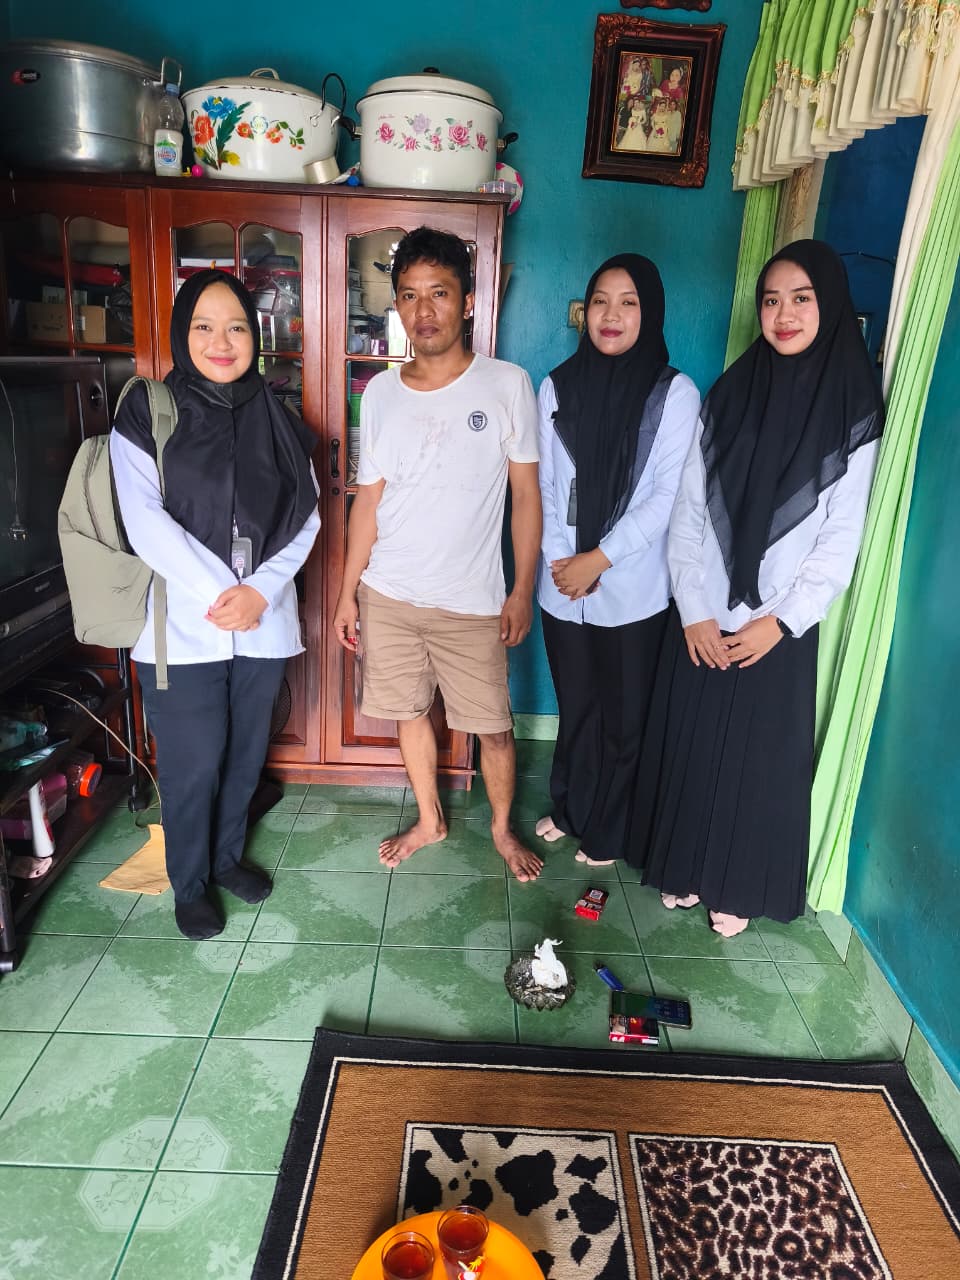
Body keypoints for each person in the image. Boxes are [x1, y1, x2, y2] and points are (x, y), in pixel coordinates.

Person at [636, 240, 884, 936]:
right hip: (704, 610)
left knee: (757, 762)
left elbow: (841, 537)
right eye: (771, 300)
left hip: (779, 622)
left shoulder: (855, 409)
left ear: (830, 305)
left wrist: (783, 620)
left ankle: (736, 885)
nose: (783, 314)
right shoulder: (731, 392)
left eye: (801, 298)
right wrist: (693, 610)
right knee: (693, 745)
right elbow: (688, 511)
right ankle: (688, 867)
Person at [110, 269, 321, 940]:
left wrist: (258, 591)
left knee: (244, 754)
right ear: (182, 334)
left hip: (262, 621)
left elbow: (307, 515)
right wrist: (221, 594)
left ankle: (227, 859)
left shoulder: (279, 419)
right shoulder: (146, 413)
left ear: (255, 337)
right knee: (192, 762)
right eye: (203, 326)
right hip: (181, 625)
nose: (221, 342)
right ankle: (190, 883)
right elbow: (144, 520)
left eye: (235, 327)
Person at [332, 226, 543, 881]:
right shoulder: (380, 392)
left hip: (472, 601)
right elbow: (368, 500)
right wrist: (347, 592)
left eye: (440, 293)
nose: (423, 311)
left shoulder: (507, 385)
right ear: (396, 304)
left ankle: (502, 830)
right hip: (390, 593)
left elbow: (527, 497)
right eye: (409, 295)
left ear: (468, 301)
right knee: (409, 711)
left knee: (494, 726)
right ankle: (430, 819)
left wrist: (521, 590)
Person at [534, 254, 700, 867]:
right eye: (601, 300)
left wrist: (597, 560)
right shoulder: (556, 386)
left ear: (649, 312)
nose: (612, 315)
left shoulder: (674, 393)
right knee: (577, 707)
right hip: (562, 587)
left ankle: (609, 831)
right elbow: (548, 486)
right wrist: (563, 564)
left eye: (629, 302)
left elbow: (664, 497)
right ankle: (572, 809)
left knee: (625, 722)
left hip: (633, 588)